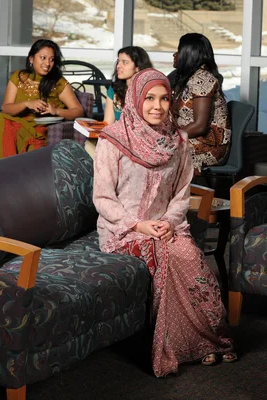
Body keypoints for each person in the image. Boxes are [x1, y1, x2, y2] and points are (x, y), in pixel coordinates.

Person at [93, 68, 235, 378]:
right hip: (123, 230)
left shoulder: (179, 141)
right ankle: (187, 347)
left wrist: (169, 222)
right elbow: (103, 199)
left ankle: (209, 339)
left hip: (166, 226)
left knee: (191, 259)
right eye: (149, 99)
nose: (157, 106)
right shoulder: (113, 140)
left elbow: (181, 195)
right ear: (135, 100)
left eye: (164, 99)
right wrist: (138, 225)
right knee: (163, 256)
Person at [0, 39, 84, 163]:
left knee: (0, 125)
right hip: (13, 125)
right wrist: (26, 104)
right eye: (43, 58)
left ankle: (3, 172)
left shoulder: (59, 83)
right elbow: (6, 108)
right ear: (31, 59)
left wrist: (56, 111)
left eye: (51, 59)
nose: (47, 63)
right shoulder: (18, 77)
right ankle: (6, 171)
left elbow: (78, 111)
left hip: (36, 129)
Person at [172, 33, 231, 175]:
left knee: (159, 155)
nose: (175, 54)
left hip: (207, 147)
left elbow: (199, 126)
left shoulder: (203, 80)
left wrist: (171, 138)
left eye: (179, 51)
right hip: (190, 139)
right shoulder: (189, 78)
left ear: (189, 54)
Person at [103, 46, 153, 125]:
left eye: (125, 62)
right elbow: (108, 124)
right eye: (118, 61)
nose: (118, 66)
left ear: (138, 67)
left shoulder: (150, 90)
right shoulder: (114, 89)